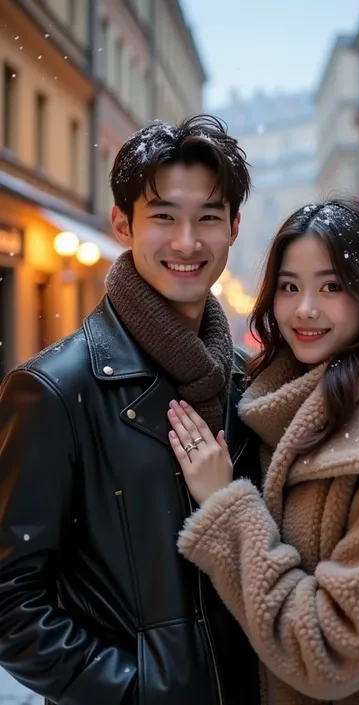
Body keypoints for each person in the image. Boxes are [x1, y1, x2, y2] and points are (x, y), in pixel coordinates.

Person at [0, 115, 261, 705]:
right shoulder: (54, 388)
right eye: (163, 216)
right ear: (123, 223)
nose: (187, 242)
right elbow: (11, 599)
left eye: (209, 218)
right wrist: (134, 690)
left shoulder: (249, 385)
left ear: (234, 228)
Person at [168, 197, 359, 705]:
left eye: (332, 286)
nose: (304, 308)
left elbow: (332, 651)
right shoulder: (275, 405)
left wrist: (226, 511)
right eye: (289, 287)